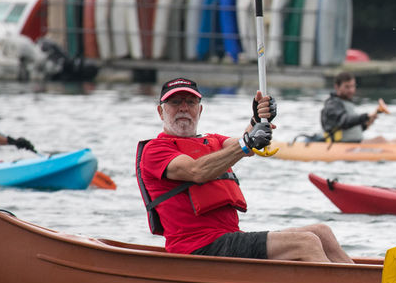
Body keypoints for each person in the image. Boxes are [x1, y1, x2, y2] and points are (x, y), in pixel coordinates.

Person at [138, 77, 353, 263]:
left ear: (200, 109)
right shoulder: (155, 150)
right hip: (197, 248)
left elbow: (245, 145)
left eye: (191, 102)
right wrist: (247, 143)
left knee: (321, 232)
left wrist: (258, 120)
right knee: (306, 243)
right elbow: (197, 171)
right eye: (175, 102)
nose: (184, 108)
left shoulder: (212, 140)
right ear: (160, 111)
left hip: (229, 240)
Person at [321, 71, 385, 142]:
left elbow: (352, 129)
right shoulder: (333, 104)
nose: (351, 90)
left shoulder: (347, 103)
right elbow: (344, 122)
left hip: (353, 144)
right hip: (339, 146)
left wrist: (367, 122)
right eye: (347, 87)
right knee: (381, 140)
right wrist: (366, 116)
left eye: (353, 86)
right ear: (337, 87)